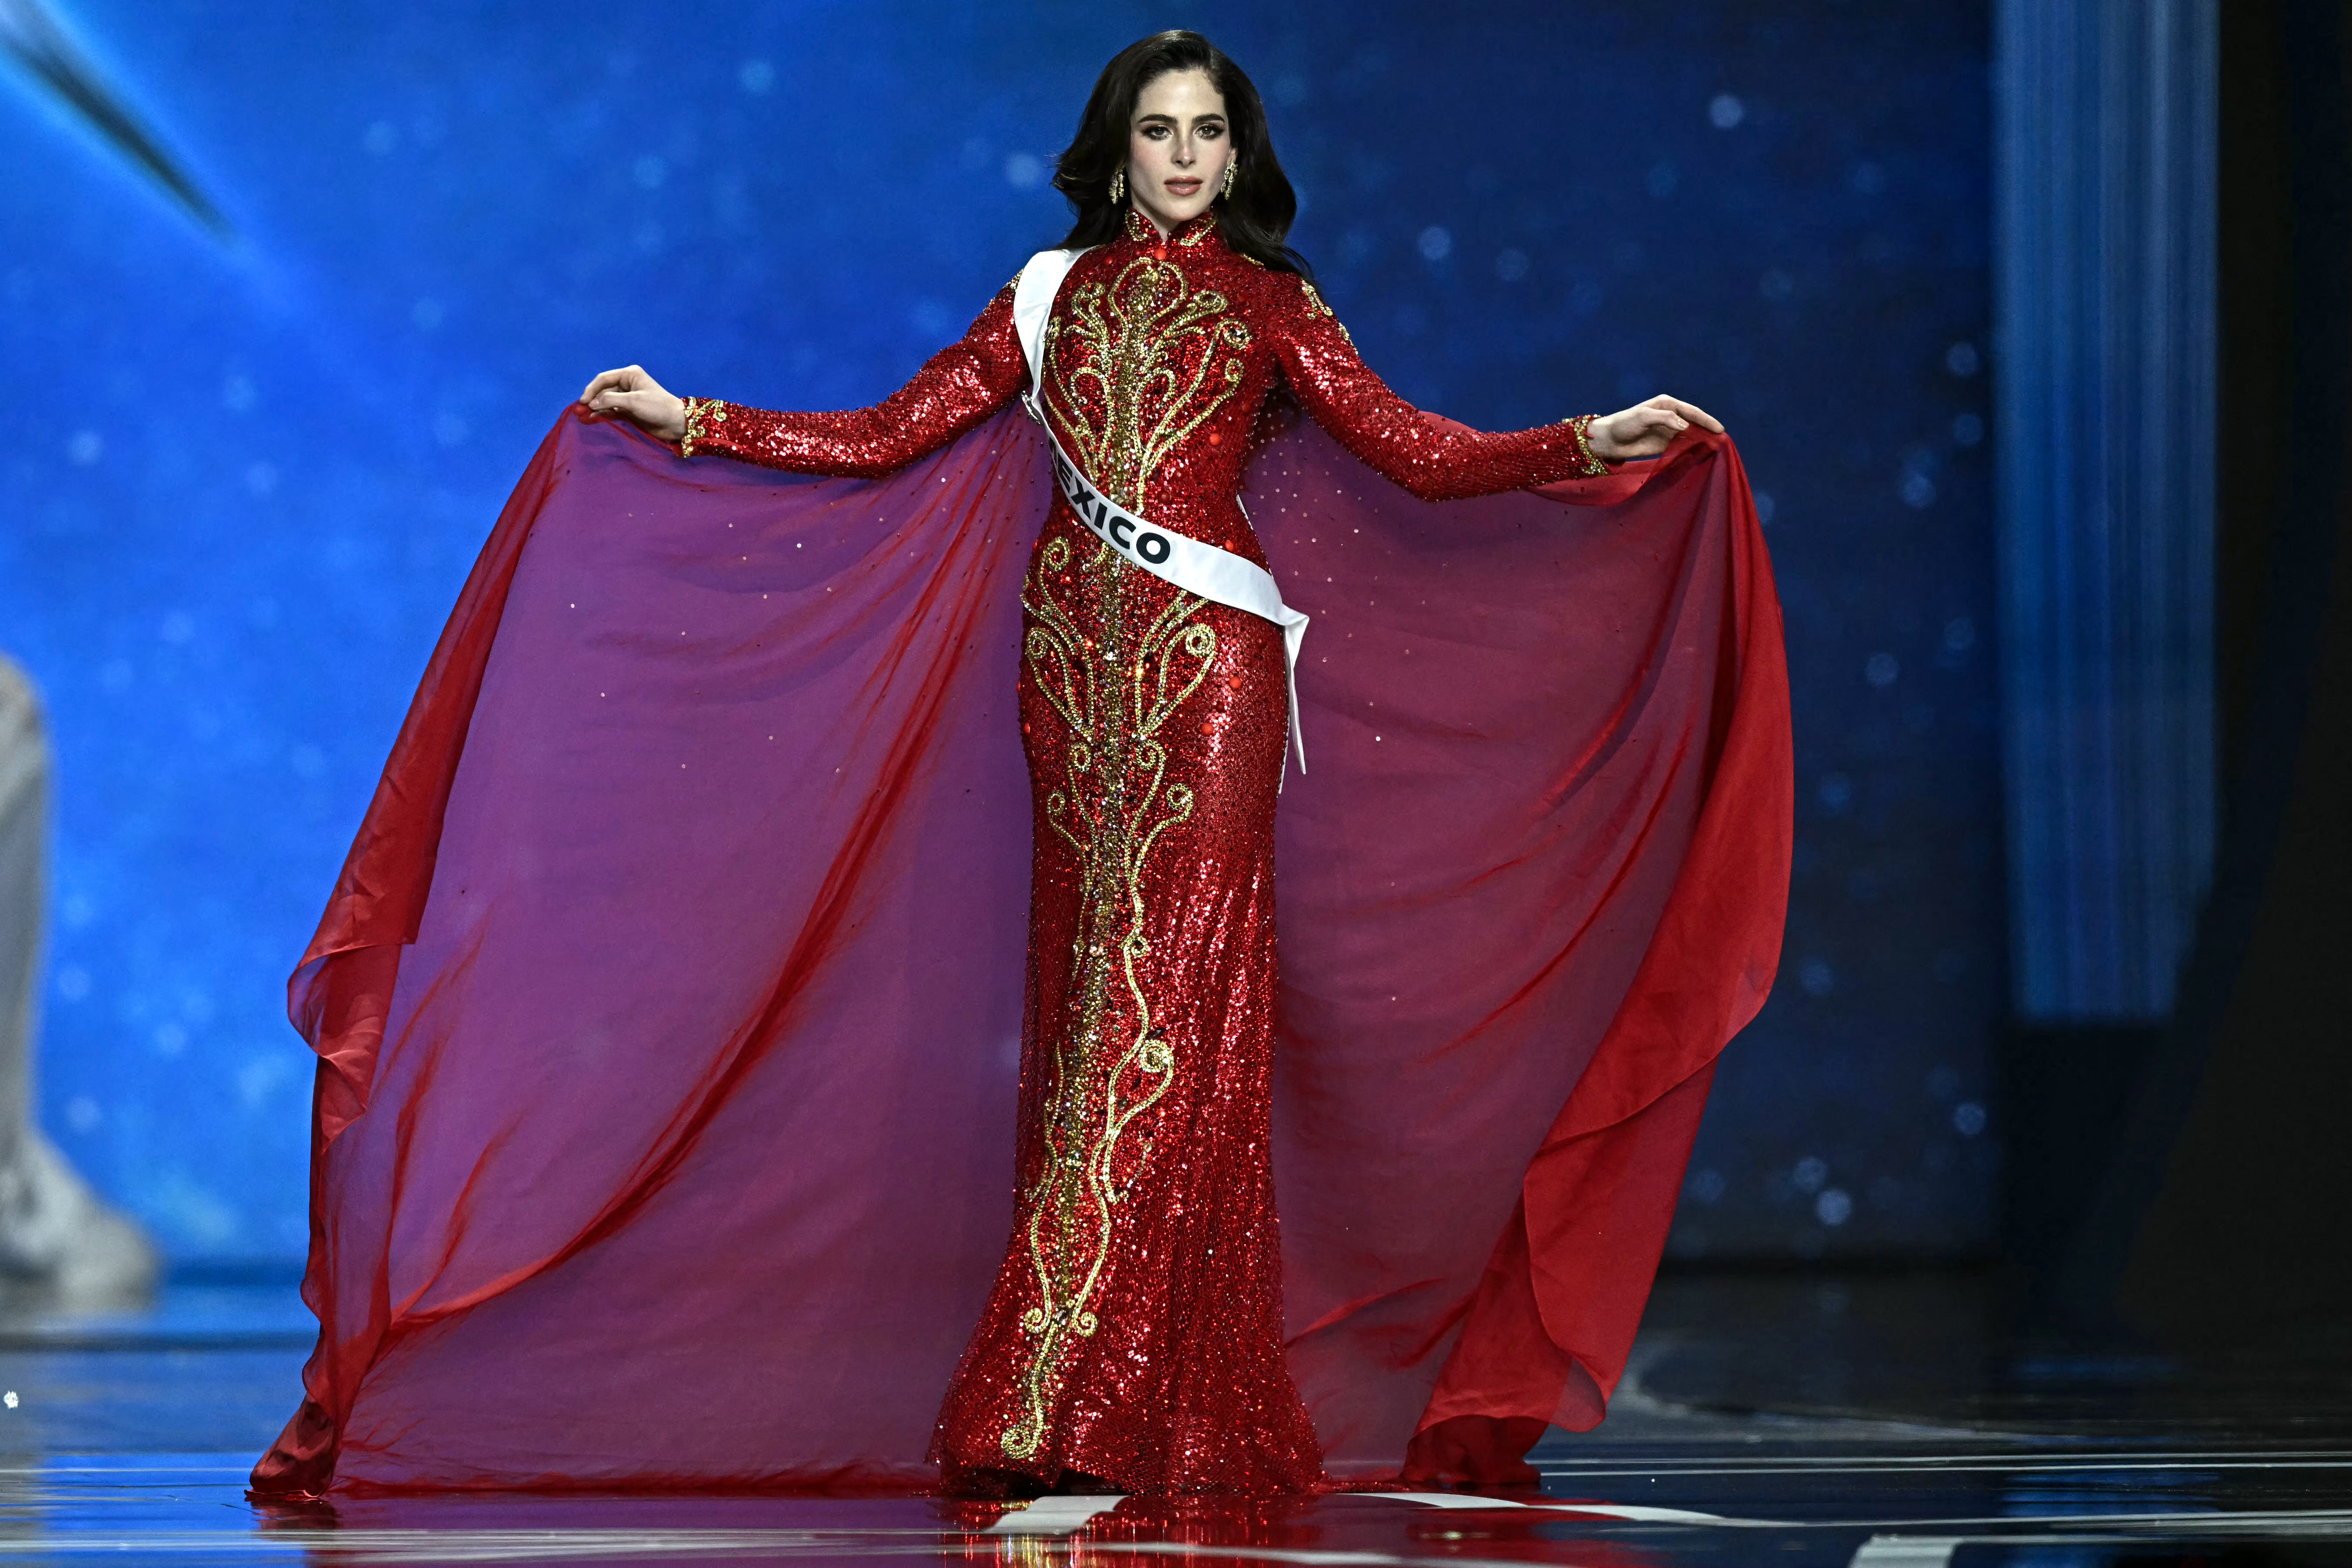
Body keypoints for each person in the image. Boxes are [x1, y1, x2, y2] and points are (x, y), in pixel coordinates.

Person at [254, 30, 1789, 1501]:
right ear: (1115, 152)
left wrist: (1587, 439)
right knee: (1090, 1008)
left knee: (1163, 1001)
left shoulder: (1269, 304)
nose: (1187, 156)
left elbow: (1416, 451)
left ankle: (1064, 1382)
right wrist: (694, 419)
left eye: (1211, 133)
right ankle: (1128, 1385)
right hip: (1067, 672)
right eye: (1160, 130)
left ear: (1237, 153)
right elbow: (893, 430)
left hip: (1209, 675)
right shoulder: (1050, 294)